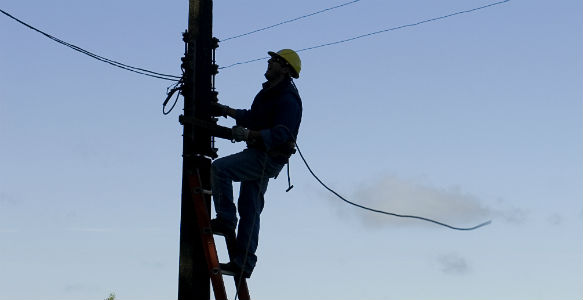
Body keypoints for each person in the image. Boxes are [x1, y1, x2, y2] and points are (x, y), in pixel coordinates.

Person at [209, 49, 303, 278]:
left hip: (267, 157)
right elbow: (252, 117)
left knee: (219, 169)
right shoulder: (268, 93)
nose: (269, 62)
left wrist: (250, 135)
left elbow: (282, 133)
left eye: (275, 61)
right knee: (250, 208)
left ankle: (226, 219)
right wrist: (225, 110)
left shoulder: (287, 98)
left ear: (285, 68)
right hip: (262, 155)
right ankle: (243, 262)